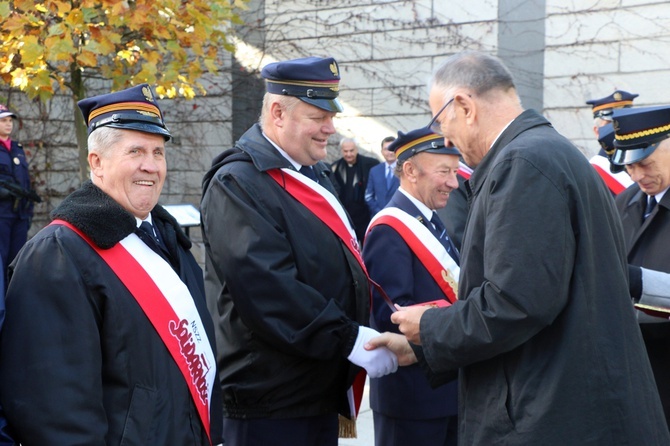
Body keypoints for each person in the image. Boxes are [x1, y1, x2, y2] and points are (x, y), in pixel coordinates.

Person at [367, 51, 670, 444]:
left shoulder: (523, 163)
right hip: (559, 404)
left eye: (442, 122)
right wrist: (420, 350)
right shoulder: (541, 153)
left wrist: (430, 327)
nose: (445, 138)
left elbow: (516, 303)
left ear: (464, 106)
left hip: (550, 417)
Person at [0, 84, 223, 445]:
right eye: (135, 151)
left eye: (158, 152)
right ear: (97, 162)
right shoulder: (58, 254)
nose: (150, 166)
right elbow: (55, 413)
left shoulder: (166, 237)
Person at [200, 56, 397, 446]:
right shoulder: (238, 182)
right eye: (318, 116)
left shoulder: (314, 173)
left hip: (314, 388)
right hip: (269, 402)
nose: (330, 128)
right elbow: (268, 290)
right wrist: (350, 340)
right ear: (277, 112)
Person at [363, 126, 460, 446]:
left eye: (455, 172)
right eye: (444, 171)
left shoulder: (429, 220)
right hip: (413, 400)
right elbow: (392, 316)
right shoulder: (390, 229)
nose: (453, 182)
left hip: (447, 392)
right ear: (410, 171)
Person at [610, 104, 670, 428]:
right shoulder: (625, 201)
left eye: (645, 163)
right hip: (631, 373)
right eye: (629, 167)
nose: (636, 176)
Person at [0, 104, 39, 287]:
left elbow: (25, 181)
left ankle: (13, 304)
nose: (8, 124)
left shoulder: (17, 148)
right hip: (2, 214)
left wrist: (28, 212)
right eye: (3, 120)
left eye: (9, 120)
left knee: (16, 261)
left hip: (19, 214)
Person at [586, 90, 637, 195]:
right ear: (597, 131)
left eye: (625, 120)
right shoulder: (591, 174)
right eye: (611, 123)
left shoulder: (644, 161)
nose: (619, 128)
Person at [331, 137, 380, 241]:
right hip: (346, 216)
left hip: (366, 215)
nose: (349, 154)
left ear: (357, 149)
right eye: (345, 151)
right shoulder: (335, 167)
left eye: (351, 150)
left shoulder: (371, 164)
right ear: (341, 151)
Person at [365, 136, 399, 216]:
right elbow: (368, 196)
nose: (390, 152)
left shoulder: (405, 170)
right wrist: (379, 212)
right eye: (386, 149)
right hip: (378, 217)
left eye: (392, 149)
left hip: (399, 217)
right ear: (382, 152)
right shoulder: (374, 171)